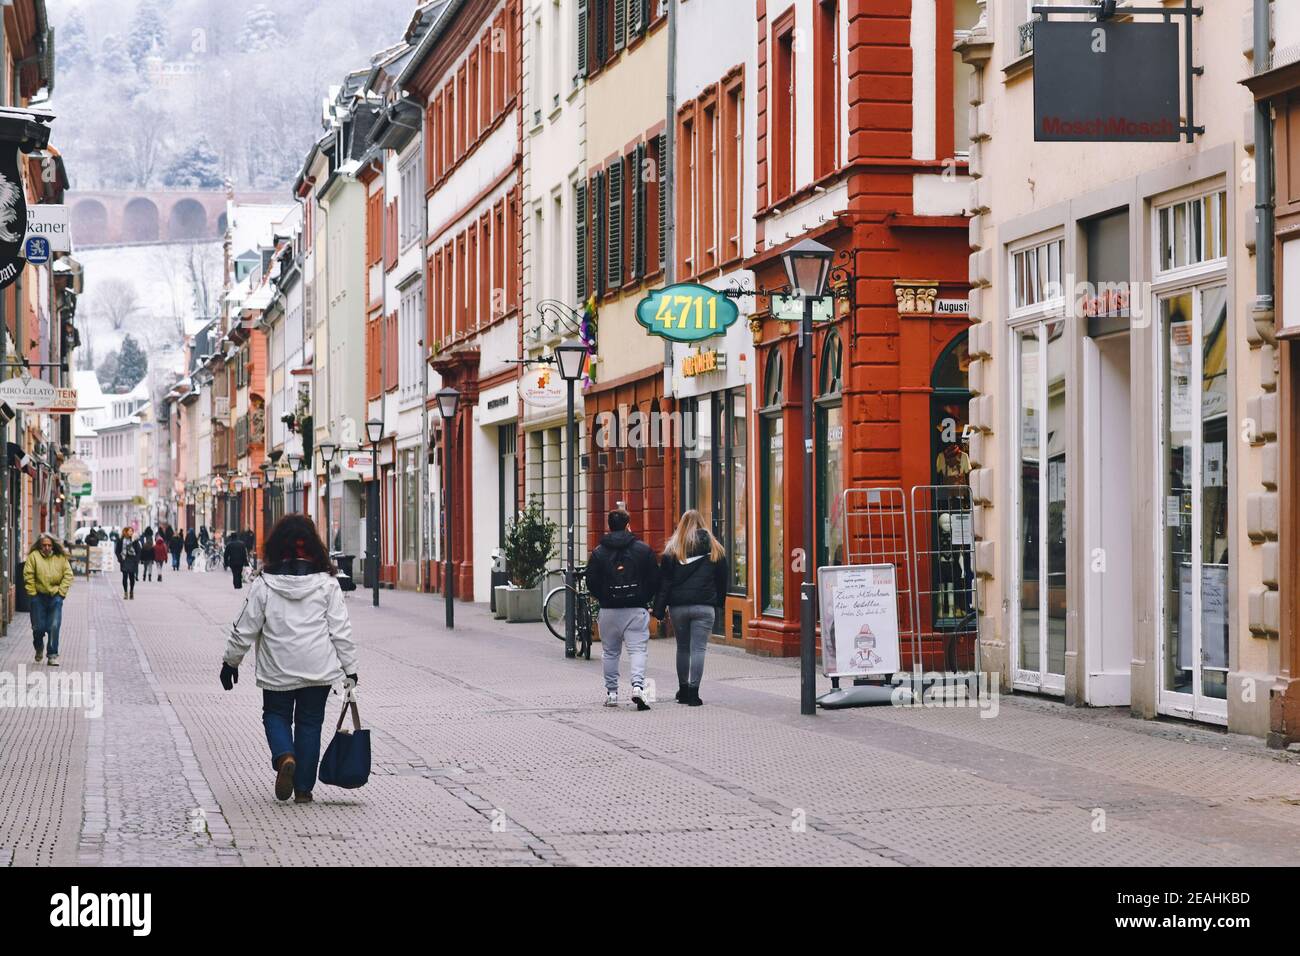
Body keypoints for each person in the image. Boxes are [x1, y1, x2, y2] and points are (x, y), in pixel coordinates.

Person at [220, 514, 358, 805]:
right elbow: (340, 630)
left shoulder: (265, 584)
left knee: (276, 716)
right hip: (317, 669)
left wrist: (231, 662)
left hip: (277, 669)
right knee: (310, 724)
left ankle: (285, 756)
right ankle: (304, 789)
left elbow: (245, 626)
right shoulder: (327, 584)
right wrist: (351, 669)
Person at [585, 508, 660, 710]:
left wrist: (603, 597)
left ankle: (611, 693)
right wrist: (644, 597)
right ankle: (637, 687)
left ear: (610, 526)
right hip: (636, 609)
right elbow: (655, 579)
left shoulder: (599, 552)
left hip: (609, 610)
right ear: (628, 525)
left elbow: (590, 580)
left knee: (610, 653)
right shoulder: (643, 550)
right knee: (637, 650)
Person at [653, 510, 728, 707]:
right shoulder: (715, 549)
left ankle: (683, 690)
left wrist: (659, 610)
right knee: (698, 649)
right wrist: (719, 604)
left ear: (681, 525)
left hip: (678, 607)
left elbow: (664, 583)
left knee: (683, 648)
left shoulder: (672, 550)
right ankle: (694, 694)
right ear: (702, 524)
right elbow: (722, 581)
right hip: (704, 606)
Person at [24, 535, 72, 667]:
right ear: (40, 546)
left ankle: (52, 655)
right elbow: (28, 575)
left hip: (55, 596)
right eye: (44, 545)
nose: (46, 547)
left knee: (54, 626)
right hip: (38, 596)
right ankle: (39, 647)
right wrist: (32, 593)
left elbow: (68, 575)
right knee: (38, 628)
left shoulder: (60, 557)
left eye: (49, 545)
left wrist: (61, 593)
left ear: (53, 546)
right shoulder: (34, 557)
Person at [115, 527, 141, 599]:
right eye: (130, 531)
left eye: (132, 531)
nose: (131, 532)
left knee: (132, 577)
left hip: (132, 560)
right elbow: (117, 551)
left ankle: (131, 591)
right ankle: (125, 592)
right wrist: (120, 559)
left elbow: (138, 551)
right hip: (124, 560)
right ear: (126, 532)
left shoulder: (135, 541)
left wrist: (137, 560)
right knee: (125, 577)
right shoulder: (121, 540)